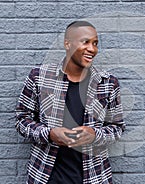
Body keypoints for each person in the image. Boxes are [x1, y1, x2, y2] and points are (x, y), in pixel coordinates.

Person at [15, 21, 125, 184]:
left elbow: (117, 128)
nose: (92, 49)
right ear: (67, 44)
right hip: (46, 177)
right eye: (85, 42)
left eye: (95, 43)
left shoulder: (108, 83)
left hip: (94, 177)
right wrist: (49, 134)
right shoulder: (39, 77)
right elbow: (22, 120)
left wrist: (94, 135)